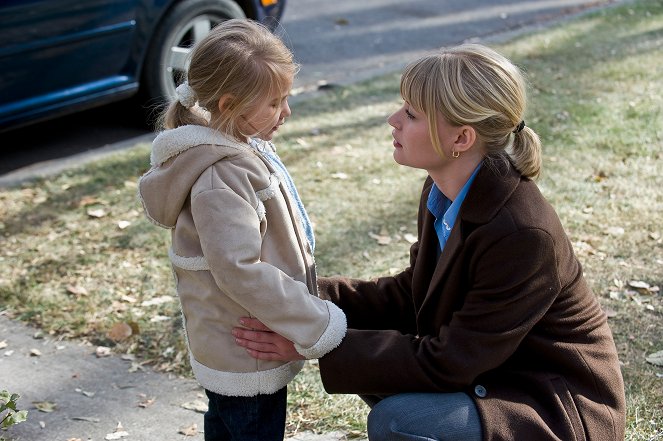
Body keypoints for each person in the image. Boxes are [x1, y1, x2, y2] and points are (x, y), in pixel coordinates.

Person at [232, 43, 626, 440]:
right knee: (380, 374)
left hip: (546, 403)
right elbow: (413, 295)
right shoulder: (443, 190)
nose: (393, 119)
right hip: (492, 371)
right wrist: (301, 291)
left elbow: (449, 362)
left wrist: (313, 341)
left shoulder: (521, 232)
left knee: (401, 419)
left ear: (461, 138)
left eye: (412, 114)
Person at [138, 19, 346, 441]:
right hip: (247, 350)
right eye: (274, 103)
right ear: (230, 104)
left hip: (239, 342)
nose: (285, 112)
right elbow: (238, 268)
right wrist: (316, 322)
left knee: (226, 427)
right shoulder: (223, 176)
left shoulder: (236, 149)